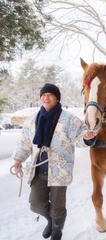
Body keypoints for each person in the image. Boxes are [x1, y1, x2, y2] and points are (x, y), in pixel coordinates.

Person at [12, 83, 96, 240]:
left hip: (59, 170)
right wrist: (18, 160)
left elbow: (80, 137)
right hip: (38, 170)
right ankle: (50, 220)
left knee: (57, 207)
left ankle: (58, 228)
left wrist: (87, 139)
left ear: (57, 99)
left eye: (50, 95)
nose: (46, 97)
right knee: (36, 204)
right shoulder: (32, 120)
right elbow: (24, 143)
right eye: (43, 95)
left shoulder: (69, 119)